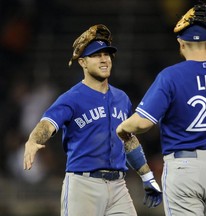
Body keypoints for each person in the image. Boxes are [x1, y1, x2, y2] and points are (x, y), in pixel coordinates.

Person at [116, 4, 206, 216]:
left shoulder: (171, 76)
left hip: (185, 168)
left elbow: (142, 123)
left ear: (181, 43)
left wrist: (123, 126)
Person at [23, 24, 162, 216]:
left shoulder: (122, 98)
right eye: (96, 55)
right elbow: (47, 123)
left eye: (107, 54)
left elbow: (128, 139)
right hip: (83, 185)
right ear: (82, 62)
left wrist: (147, 176)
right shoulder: (72, 98)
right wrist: (33, 140)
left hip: (119, 186)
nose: (104, 59)